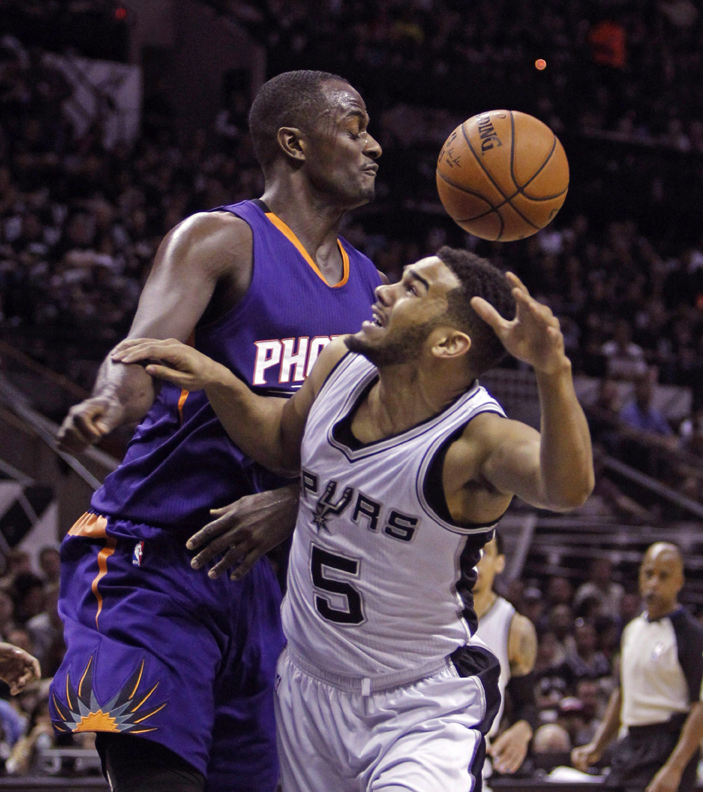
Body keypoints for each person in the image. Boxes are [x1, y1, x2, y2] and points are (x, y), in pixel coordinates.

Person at [114, 245, 595, 791]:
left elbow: (567, 488)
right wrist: (222, 383)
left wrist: (553, 369)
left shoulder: (477, 439)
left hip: (417, 707)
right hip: (304, 692)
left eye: (412, 289)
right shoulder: (341, 363)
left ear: (449, 343)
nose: (383, 291)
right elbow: (279, 441)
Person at [52, 69, 383, 792]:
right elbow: (141, 352)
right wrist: (110, 400)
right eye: (355, 127)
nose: (374, 145)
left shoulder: (371, 290)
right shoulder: (222, 240)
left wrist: (298, 502)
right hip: (154, 564)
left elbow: (377, 456)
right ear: (294, 142)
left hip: (268, 596)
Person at [573, 543, 703, 792]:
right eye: (648, 574)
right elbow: (622, 693)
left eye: (663, 576)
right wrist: (597, 745)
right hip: (631, 742)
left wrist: (675, 768)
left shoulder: (691, 634)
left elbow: (700, 707)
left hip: (668, 743)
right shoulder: (632, 630)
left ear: (679, 581)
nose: (654, 583)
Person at [473, 534, 538, 776]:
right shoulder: (428, 613)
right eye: (468, 550)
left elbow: (527, 704)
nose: (475, 560)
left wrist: (523, 729)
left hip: (475, 763)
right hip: (420, 751)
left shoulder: (515, 628)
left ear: (500, 563)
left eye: (485, 552)